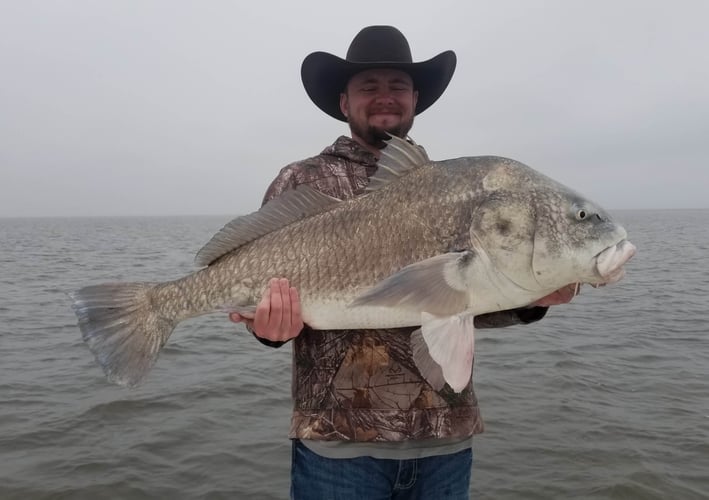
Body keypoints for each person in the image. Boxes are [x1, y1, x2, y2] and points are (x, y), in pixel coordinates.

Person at [229, 25, 578, 500]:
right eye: (368, 87)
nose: (384, 98)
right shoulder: (302, 179)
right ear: (344, 103)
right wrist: (267, 330)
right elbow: (264, 295)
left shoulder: (450, 189)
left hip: (446, 442)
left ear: (415, 98)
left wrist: (534, 299)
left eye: (397, 86)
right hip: (338, 448)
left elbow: (463, 296)